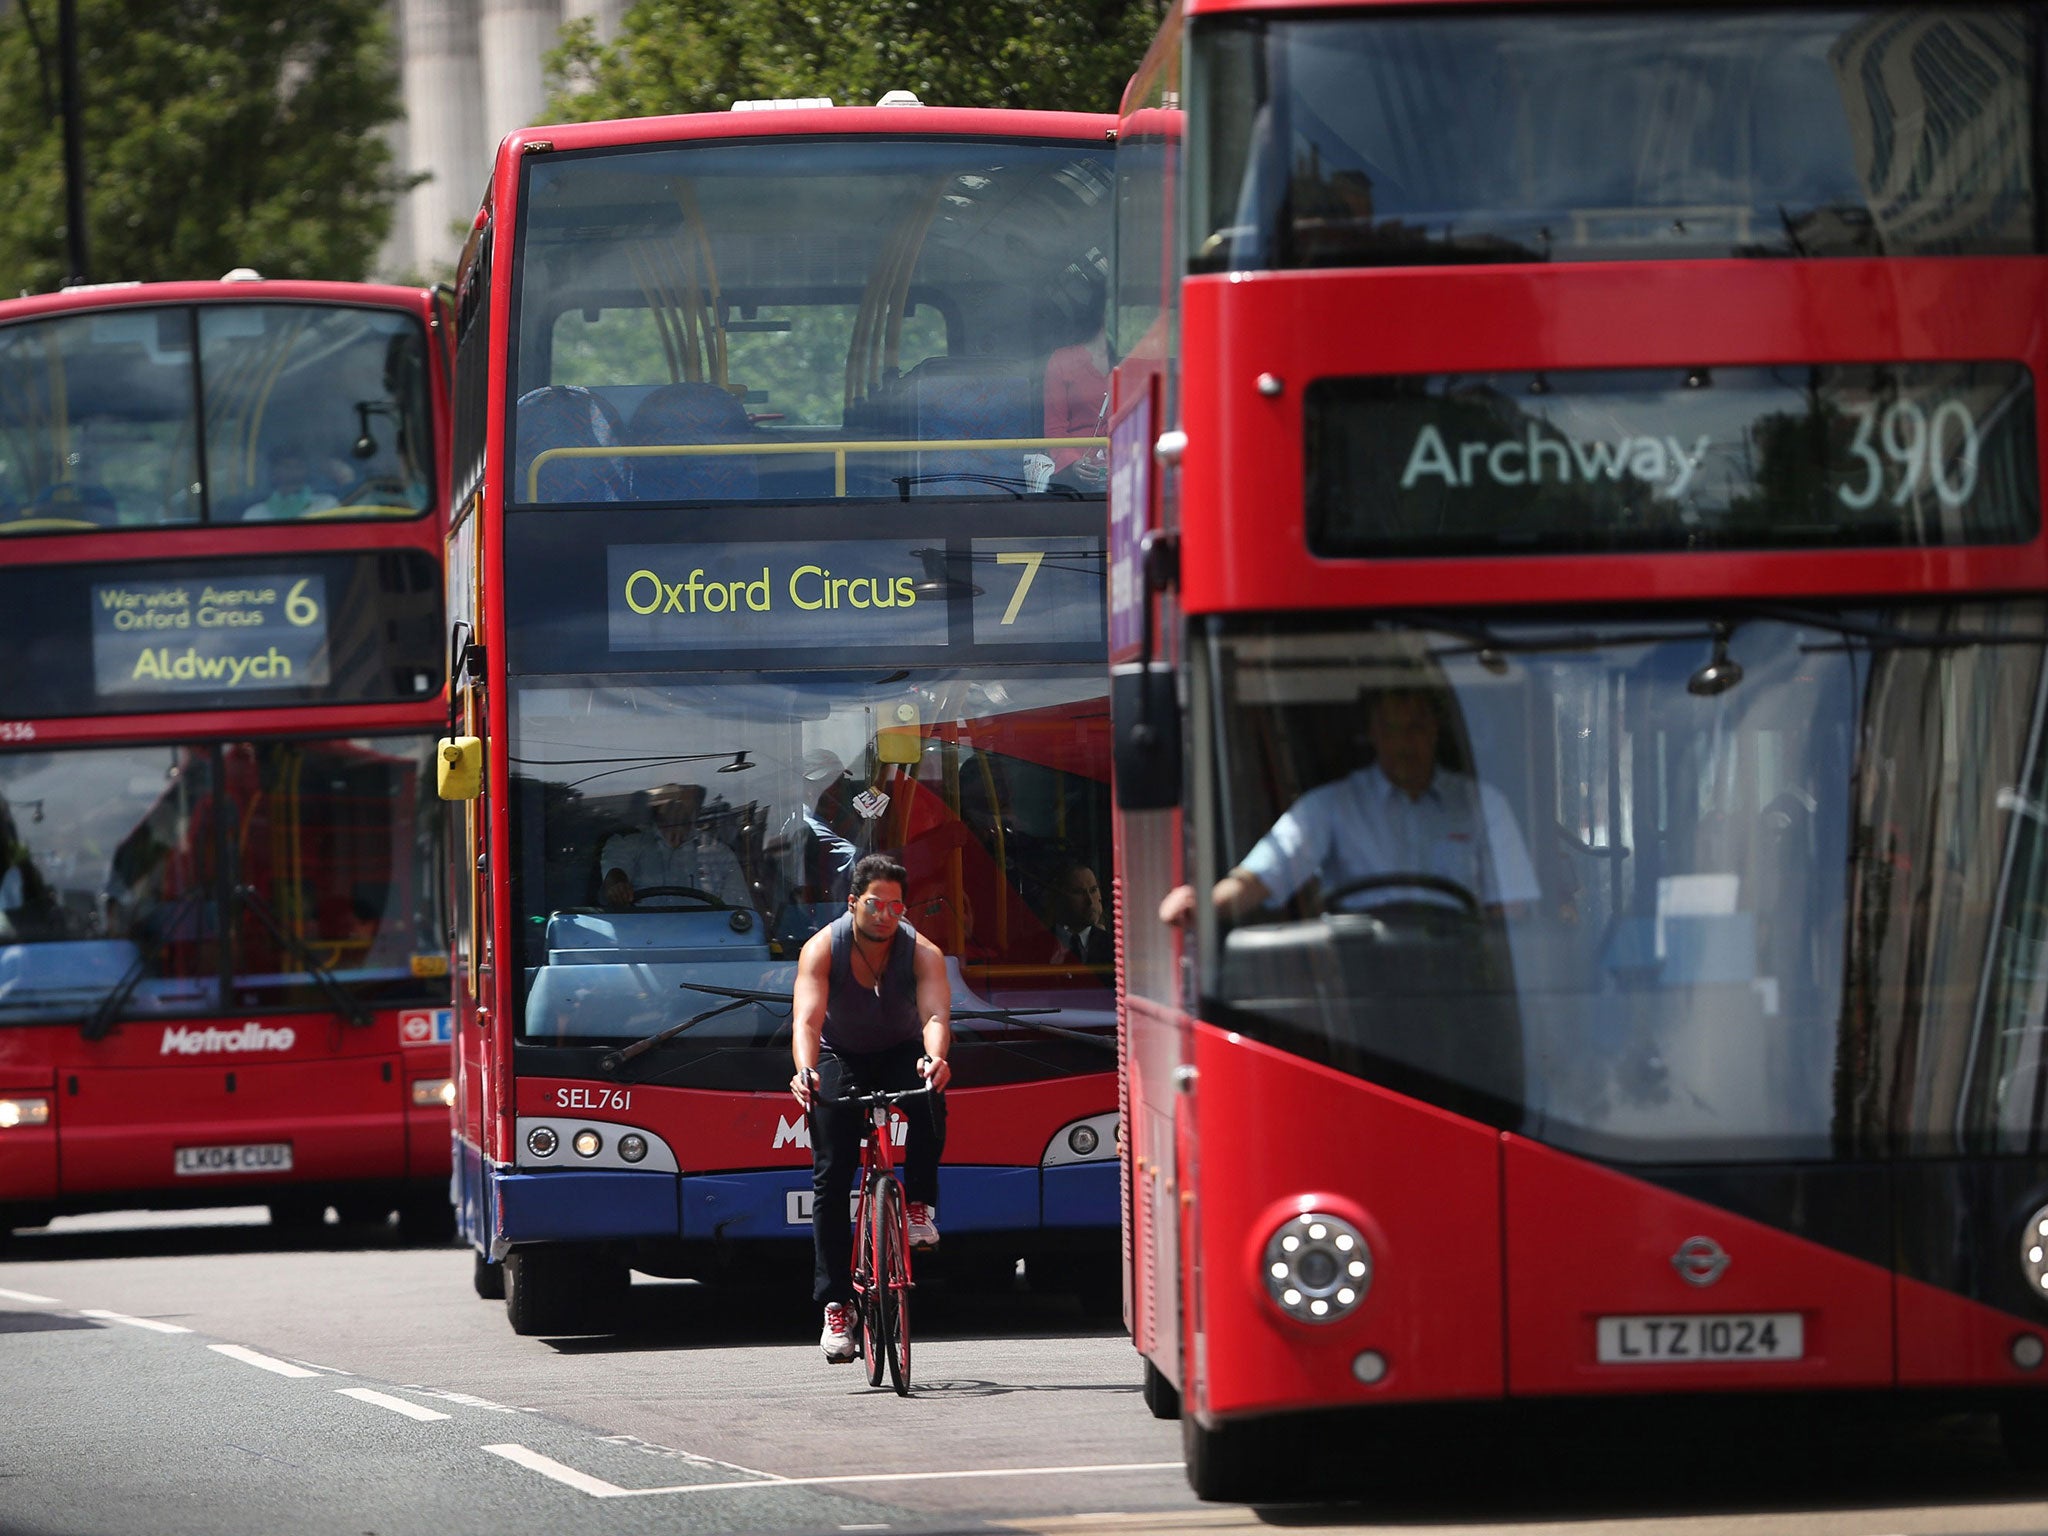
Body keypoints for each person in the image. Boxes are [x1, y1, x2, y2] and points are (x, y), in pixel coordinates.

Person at [1160, 686, 1540, 927]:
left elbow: (1510, 916)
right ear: (1373, 735)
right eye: (1392, 729)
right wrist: (1201, 906)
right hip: (1357, 1000)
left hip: (1461, 988)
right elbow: (1261, 878)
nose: (1405, 743)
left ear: (1434, 732)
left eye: (1415, 728)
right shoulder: (1330, 806)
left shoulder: (1484, 805)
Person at [788, 854, 952, 1364]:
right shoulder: (822, 949)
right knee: (831, 1174)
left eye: (896, 906)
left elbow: (934, 1014)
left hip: (900, 1048)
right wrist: (805, 1071)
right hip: (841, 1052)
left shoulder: (922, 952)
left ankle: (919, 1206)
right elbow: (809, 1021)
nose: (885, 915)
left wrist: (936, 1058)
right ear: (854, 902)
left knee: (930, 1091)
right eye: (876, 904)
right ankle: (837, 1305)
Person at [598, 782, 751, 910]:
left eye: (684, 788)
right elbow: (614, 874)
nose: (677, 796)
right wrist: (617, 885)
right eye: (670, 787)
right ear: (655, 801)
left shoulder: (718, 854)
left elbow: (739, 912)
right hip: (638, 938)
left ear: (697, 803)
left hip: (706, 941)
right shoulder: (626, 844)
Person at [242, 443, 340, 521]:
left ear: (306, 470)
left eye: (298, 466)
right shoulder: (254, 514)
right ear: (273, 473)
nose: (293, 471)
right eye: (286, 466)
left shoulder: (326, 505)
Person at [1044, 860, 1112, 966]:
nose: (1090, 901)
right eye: (1079, 892)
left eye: (1093, 890)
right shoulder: (1030, 949)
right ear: (1059, 898)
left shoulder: (1116, 949)